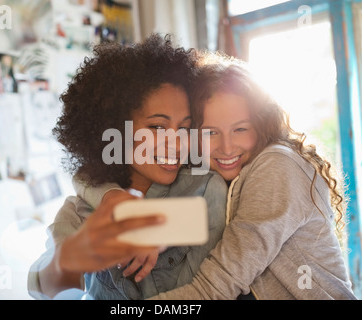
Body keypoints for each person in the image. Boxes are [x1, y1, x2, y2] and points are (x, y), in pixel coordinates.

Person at [27, 34, 228, 300]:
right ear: (115, 129)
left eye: (184, 128)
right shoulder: (80, 212)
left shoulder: (203, 189)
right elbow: (41, 289)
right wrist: (67, 261)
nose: (177, 144)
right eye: (157, 127)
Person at [145, 52, 357, 300]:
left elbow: (213, 289)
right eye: (211, 132)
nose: (226, 147)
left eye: (240, 129)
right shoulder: (216, 180)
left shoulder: (276, 166)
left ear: (262, 124)